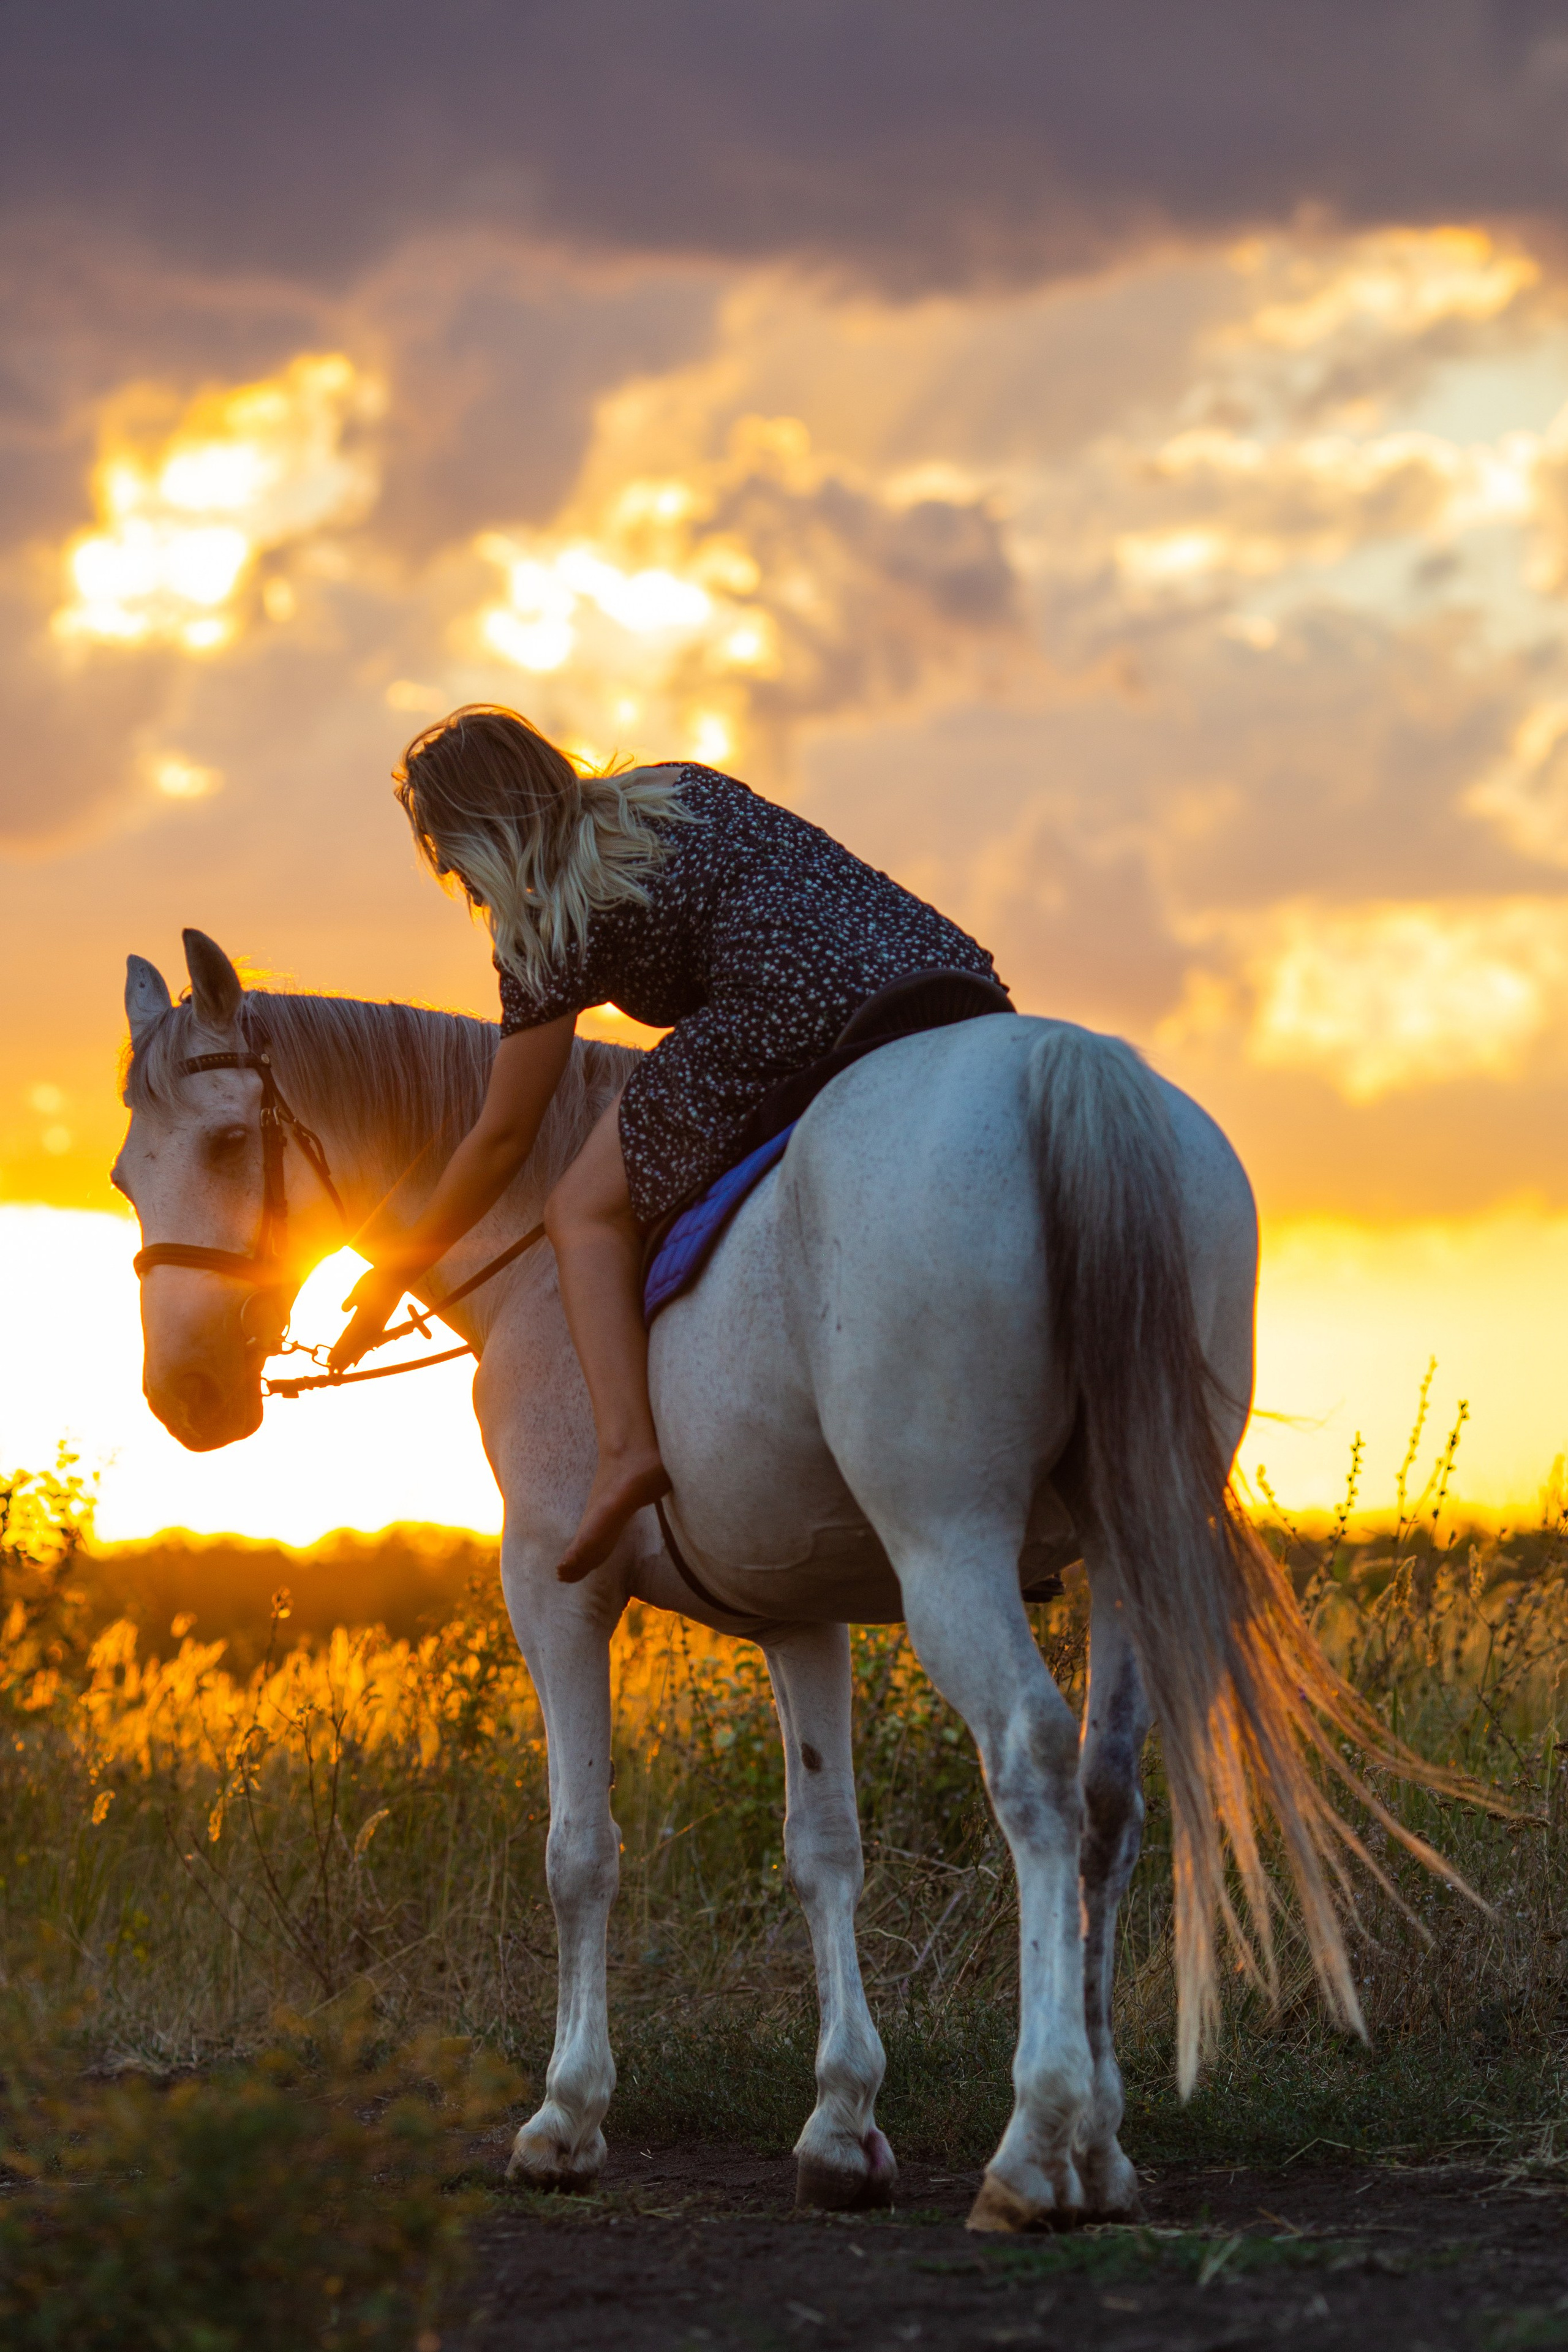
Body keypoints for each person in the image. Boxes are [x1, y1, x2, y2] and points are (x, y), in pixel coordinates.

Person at [330, 706, 1001, 1580]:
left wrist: (389, 1273)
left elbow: (502, 1138)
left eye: (444, 848)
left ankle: (624, 1451)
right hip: (944, 977)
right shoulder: (678, 788)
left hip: (787, 1014)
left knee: (579, 1210)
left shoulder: (547, 922)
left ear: (466, 837)